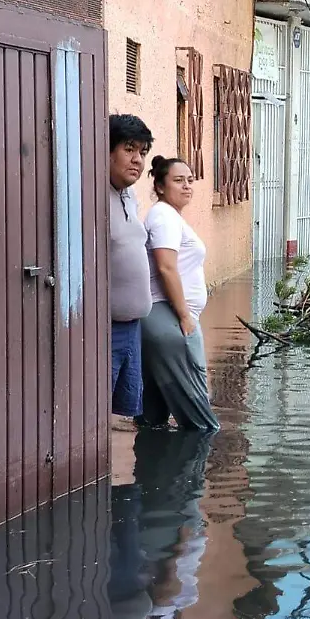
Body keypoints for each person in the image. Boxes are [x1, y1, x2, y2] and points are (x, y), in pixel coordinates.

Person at [137, 156, 220, 432]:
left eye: (190, 180)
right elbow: (166, 266)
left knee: (153, 418)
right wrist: (185, 316)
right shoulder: (163, 216)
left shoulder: (168, 216)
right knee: (202, 422)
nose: (186, 186)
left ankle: (153, 470)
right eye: (178, 180)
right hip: (170, 318)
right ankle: (195, 470)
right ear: (160, 186)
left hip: (163, 319)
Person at [108, 114, 155, 420]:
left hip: (132, 326)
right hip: (104, 331)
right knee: (94, 414)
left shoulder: (130, 195)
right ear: (106, 151)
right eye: (128, 149)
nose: (137, 159)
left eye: (142, 151)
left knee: (123, 415)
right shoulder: (93, 196)